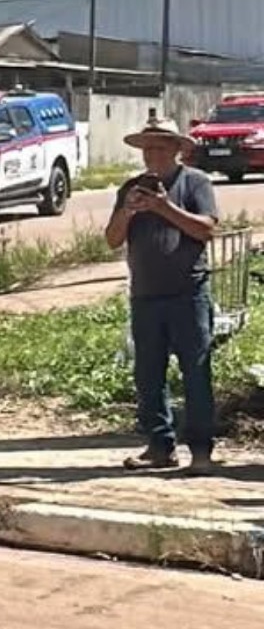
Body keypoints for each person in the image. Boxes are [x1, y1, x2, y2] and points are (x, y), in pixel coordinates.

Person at [105, 114, 220, 472]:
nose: (151, 154)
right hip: (146, 295)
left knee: (196, 372)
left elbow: (205, 230)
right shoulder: (132, 187)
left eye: (158, 146)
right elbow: (112, 239)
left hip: (189, 293)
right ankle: (159, 445)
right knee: (148, 375)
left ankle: (200, 451)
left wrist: (162, 207)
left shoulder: (195, 183)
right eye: (146, 147)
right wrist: (128, 211)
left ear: (175, 149)